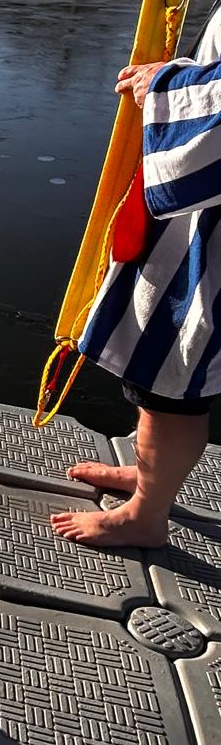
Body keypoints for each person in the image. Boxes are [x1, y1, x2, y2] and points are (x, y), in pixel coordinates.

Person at [53, 49, 221, 547]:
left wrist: (170, 88)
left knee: (176, 383)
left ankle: (146, 517)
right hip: (194, 225)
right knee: (158, 372)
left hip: (210, 237)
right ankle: (149, 480)